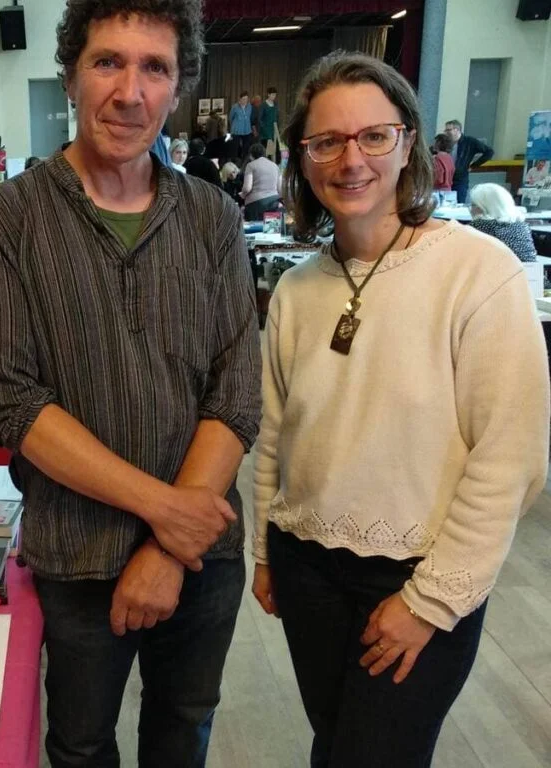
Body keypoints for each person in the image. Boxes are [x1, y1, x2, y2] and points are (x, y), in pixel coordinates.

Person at [0, 0, 261, 765]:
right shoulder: (5, 220)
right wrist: (167, 510)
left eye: (154, 68)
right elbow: (11, 400)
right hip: (80, 556)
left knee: (182, 728)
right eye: (108, 62)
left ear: (177, 87)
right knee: (82, 744)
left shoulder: (213, 219)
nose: (130, 92)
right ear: (70, 76)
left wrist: (170, 546)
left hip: (201, 559)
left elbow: (235, 392)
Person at [254, 51, 549, 767]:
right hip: (306, 565)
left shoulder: (477, 273)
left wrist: (429, 602)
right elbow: (273, 439)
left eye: (373, 136)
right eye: (326, 141)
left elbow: (508, 460)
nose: (350, 160)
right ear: (302, 157)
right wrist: (264, 549)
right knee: (337, 742)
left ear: (408, 140)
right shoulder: (296, 290)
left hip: (419, 570)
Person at [469, 183, 538, 261]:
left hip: (501, 271)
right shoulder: (521, 225)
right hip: (529, 270)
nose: (471, 209)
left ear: (483, 207)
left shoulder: (479, 225)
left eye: (473, 205)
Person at [443, 119, 494, 204]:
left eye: (449, 130)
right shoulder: (445, 142)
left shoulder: (469, 142)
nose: (446, 133)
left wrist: (474, 165)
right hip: (446, 178)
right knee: (445, 204)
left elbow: (489, 152)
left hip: (460, 179)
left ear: (457, 130)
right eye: (446, 130)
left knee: (459, 203)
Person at [240, 142, 282, 220]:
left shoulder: (250, 165)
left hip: (255, 204)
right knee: (271, 229)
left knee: (255, 229)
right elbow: (280, 189)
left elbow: (247, 188)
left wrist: (243, 195)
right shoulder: (275, 166)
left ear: (251, 155)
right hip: (273, 202)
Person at [229, 91, 253, 160]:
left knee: (246, 146)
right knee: (236, 146)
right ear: (240, 99)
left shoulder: (249, 106)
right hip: (237, 130)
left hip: (247, 130)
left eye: (246, 99)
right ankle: (237, 159)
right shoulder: (235, 107)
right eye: (243, 99)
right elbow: (231, 118)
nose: (245, 101)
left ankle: (244, 159)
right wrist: (234, 126)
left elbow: (249, 117)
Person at [259, 87, 280, 161]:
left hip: (274, 130)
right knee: (267, 152)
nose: (274, 96)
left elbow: (276, 117)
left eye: (275, 95)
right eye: (272, 95)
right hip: (266, 132)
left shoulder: (276, 104)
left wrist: (277, 129)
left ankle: (274, 167)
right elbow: (260, 119)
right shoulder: (263, 105)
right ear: (268, 94)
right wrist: (265, 131)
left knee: (274, 151)